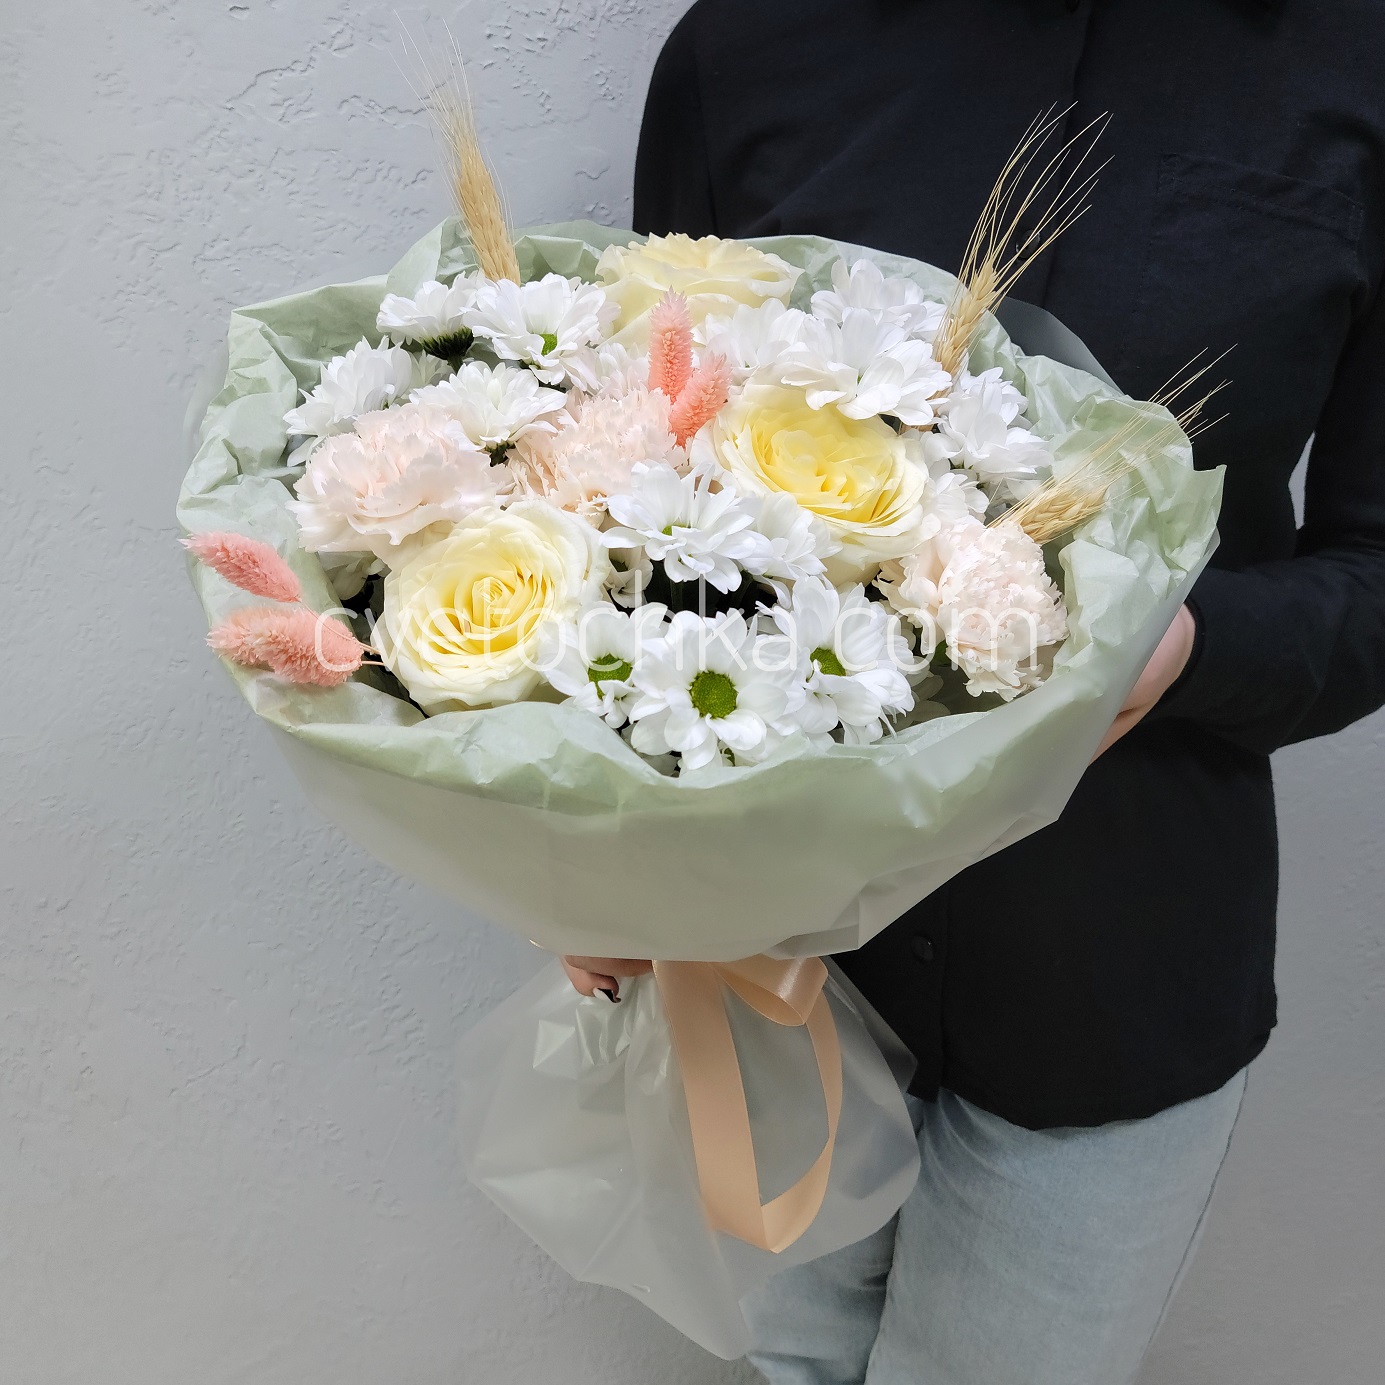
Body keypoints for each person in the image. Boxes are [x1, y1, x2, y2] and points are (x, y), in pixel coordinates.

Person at [563, 2, 1385, 1380]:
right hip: (764, 965)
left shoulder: (1353, 70)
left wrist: (1190, 643)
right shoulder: (748, 48)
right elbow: (642, 485)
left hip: (1115, 971)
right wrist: (592, 847)